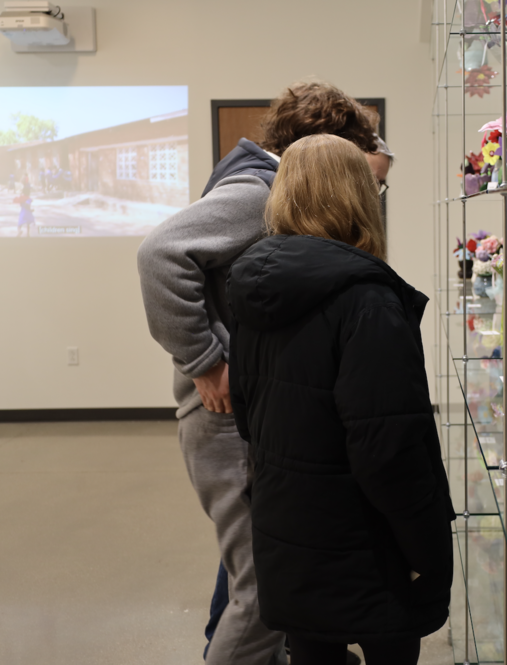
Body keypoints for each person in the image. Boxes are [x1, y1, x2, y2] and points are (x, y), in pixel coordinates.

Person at [137, 81, 383, 665]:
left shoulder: (255, 184)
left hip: (242, 413)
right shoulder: (256, 191)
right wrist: (207, 362)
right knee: (262, 591)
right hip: (224, 415)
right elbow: (159, 256)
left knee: (257, 575)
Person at [227, 134, 455, 665]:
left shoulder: (250, 290)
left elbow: (246, 415)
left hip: (288, 531)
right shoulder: (369, 301)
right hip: (367, 543)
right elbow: (389, 449)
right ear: (358, 196)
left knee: (312, 650)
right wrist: (426, 550)